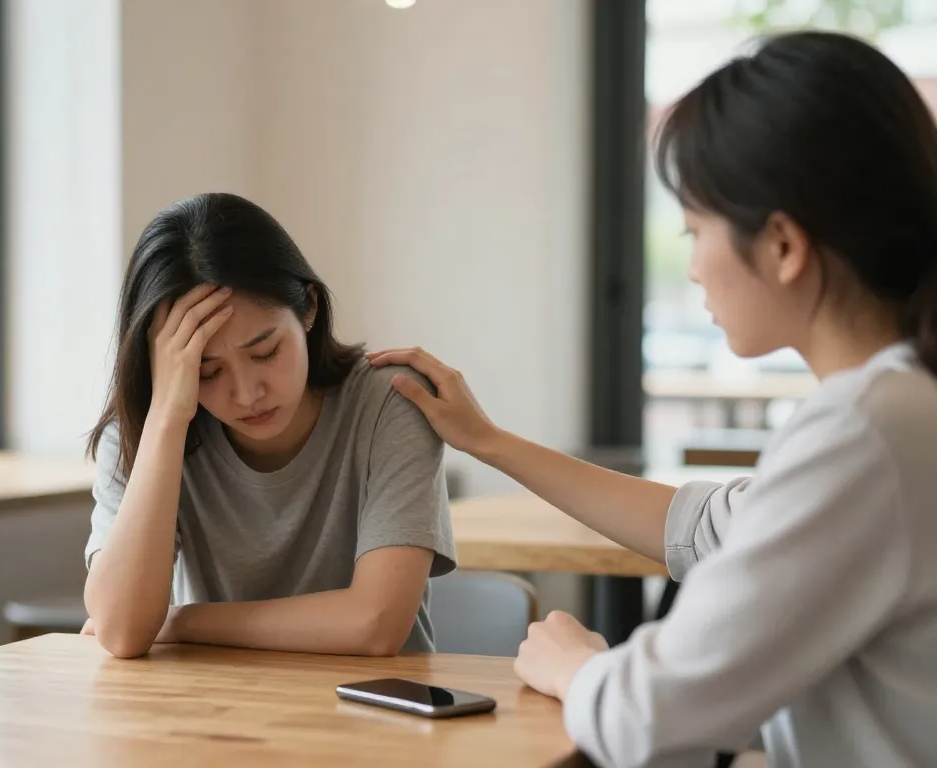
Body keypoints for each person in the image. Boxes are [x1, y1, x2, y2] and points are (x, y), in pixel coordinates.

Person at [368, 31, 937, 768]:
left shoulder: (868, 430)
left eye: (696, 230)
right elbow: (699, 526)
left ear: (784, 248)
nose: (693, 267)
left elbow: (650, 713)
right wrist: (488, 440)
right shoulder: (897, 408)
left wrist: (577, 664)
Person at [82, 192, 455, 660]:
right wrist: (165, 420)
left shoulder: (391, 401)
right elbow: (120, 631)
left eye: (265, 352)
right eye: (207, 371)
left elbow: (375, 625)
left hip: (375, 716)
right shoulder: (145, 429)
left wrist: (180, 619)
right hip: (206, 719)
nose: (246, 393)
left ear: (310, 308)